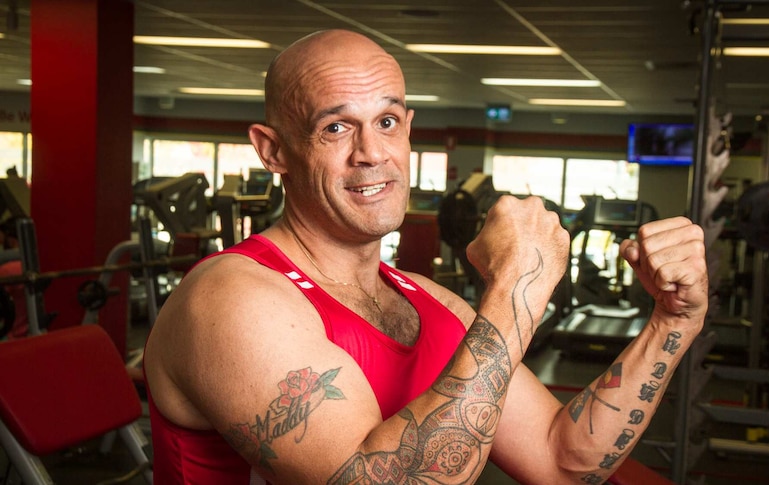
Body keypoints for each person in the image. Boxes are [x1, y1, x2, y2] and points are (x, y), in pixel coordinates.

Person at [143, 29, 708, 485]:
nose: (371, 154)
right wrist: (519, 287)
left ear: (409, 131)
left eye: (387, 122)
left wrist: (673, 322)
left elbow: (561, 460)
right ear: (273, 150)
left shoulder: (428, 300)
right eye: (336, 127)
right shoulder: (231, 299)